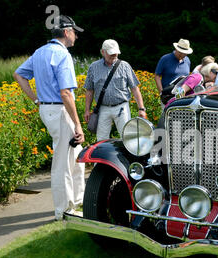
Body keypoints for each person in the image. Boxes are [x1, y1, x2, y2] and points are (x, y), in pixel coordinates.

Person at [13, 15, 85, 221]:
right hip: (60, 110)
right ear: (66, 32)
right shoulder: (62, 55)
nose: (77, 36)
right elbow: (65, 93)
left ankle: (78, 201)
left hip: (48, 109)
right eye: (74, 32)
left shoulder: (40, 52)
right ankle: (64, 211)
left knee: (76, 157)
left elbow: (19, 75)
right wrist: (78, 124)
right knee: (63, 162)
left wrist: (36, 100)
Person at [84, 39, 146, 141]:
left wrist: (141, 108)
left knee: (127, 138)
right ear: (103, 52)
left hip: (121, 107)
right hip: (102, 108)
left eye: (116, 53)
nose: (114, 56)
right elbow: (89, 90)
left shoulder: (125, 66)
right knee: (101, 140)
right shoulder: (94, 67)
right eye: (111, 53)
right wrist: (87, 110)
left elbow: (135, 88)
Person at [155, 39, 193, 107]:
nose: (182, 55)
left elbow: (187, 77)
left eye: (184, 53)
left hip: (183, 97)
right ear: (176, 49)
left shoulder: (187, 60)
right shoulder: (165, 59)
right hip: (167, 96)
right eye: (180, 52)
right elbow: (157, 76)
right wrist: (161, 93)